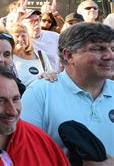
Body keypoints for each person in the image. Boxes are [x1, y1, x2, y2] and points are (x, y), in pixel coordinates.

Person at [21, 22, 114, 164]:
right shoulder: (39, 94)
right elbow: (24, 155)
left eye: (113, 48)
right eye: (98, 49)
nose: (109, 55)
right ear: (69, 55)